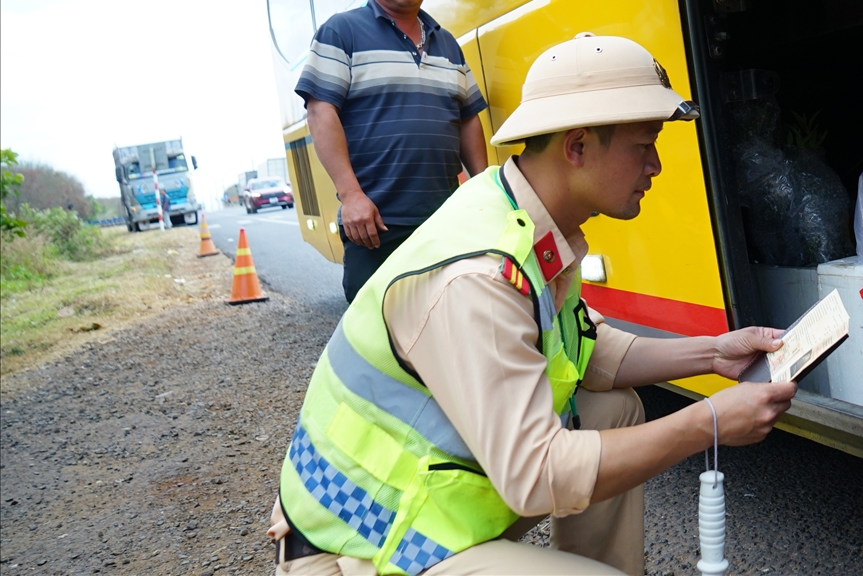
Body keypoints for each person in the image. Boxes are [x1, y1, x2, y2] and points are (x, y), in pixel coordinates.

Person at [268, 34, 798, 575]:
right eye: (644, 145)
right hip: (359, 547)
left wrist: (714, 354)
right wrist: (706, 421)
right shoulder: (477, 276)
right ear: (578, 147)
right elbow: (534, 474)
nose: (656, 166)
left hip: (436, 497)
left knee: (612, 411)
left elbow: (583, 349)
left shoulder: (518, 210)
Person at [296, 0, 490, 303]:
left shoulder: (447, 43)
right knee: (378, 339)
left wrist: (485, 189)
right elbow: (321, 114)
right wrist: (351, 196)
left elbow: (467, 118)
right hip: (376, 225)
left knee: (449, 324)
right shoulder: (341, 33)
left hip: (445, 222)